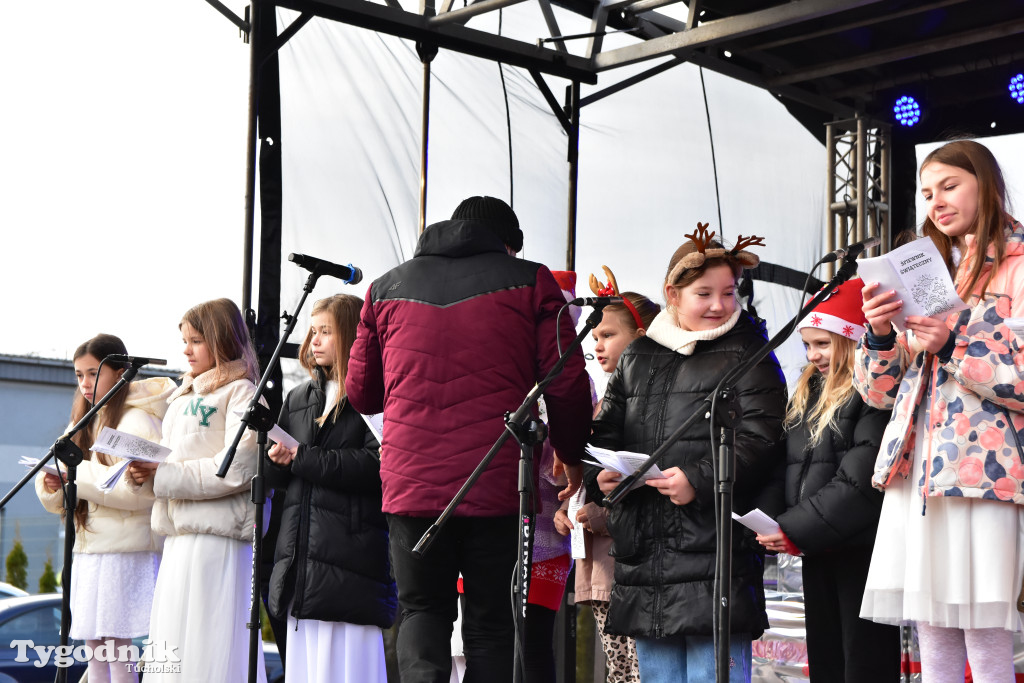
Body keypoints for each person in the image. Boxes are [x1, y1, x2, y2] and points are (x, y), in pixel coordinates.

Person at [345, 195, 593, 683]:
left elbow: (362, 393)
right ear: (508, 245)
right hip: (496, 482)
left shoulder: (386, 287)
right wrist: (570, 455)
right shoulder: (530, 280)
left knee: (422, 610)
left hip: (411, 485)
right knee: (491, 621)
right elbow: (565, 382)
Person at [856, 139, 1024, 682]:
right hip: (921, 470)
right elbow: (880, 394)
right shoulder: (930, 271)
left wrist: (952, 344)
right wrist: (880, 333)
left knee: (985, 634)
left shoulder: (1020, 265)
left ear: (987, 186)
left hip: (986, 473)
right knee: (934, 630)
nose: (937, 202)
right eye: (927, 193)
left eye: (949, 186)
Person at [591, 225, 787, 683]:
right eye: (704, 294)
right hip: (644, 553)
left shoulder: (750, 351)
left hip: (715, 553)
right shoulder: (639, 355)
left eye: (728, 293)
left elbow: (763, 437)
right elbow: (606, 429)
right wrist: (598, 476)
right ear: (672, 294)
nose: (719, 304)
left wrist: (697, 479)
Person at [753, 279, 901, 681]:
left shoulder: (874, 395)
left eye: (822, 344)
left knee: (864, 662)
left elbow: (860, 480)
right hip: (818, 545)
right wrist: (770, 521)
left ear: (852, 340)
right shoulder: (808, 391)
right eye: (807, 345)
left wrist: (793, 528)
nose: (812, 355)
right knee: (827, 661)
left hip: (862, 551)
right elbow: (784, 466)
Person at [127, 298, 267, 683]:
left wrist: (163, 474)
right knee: (175, 647)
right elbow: (168, 462)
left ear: (221, 340)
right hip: (178, 540)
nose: (186, 350)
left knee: (211, 646)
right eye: (184, 341)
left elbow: (237, 468)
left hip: (218, 541)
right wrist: (142, 473)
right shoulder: (180, 399)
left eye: (196, 341)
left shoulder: (243, 393)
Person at [264, 293, 396, 683]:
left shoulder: (374, 395)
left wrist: (301, 457)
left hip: (350, 553)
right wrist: (274, 462)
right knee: (307, 667)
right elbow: (284, 475)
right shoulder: (298, 397)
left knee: (347, 665)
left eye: (326, 331)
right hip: (300, 558)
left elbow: (377, 465)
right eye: (313, 331)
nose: (315, 340)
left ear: (352, 335)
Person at [35, 334, 176, 683]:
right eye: (78, 375)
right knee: (95, 649)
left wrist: (74, 477)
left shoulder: (139, 420)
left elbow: (140, 491)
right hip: (89, 549)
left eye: (92, 373)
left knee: (116, 651)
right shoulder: (82, 420)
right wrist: (52, 485)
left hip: (122, 551)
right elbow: (66, 478)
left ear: (119, 371)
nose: (84, 383)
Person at [554, 267, 657, 683]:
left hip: (629, 562)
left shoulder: (648, 404)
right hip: (598, 563)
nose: (597, 345)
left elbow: (645, 478)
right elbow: (591, 475)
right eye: (594, 336)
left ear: (641, 336)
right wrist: (569, 506)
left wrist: (604, 515)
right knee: (618, 667)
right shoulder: (604, 405)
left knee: (641, 667)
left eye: (608, 335)